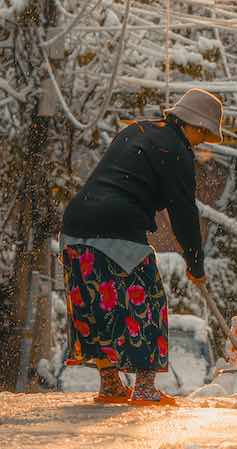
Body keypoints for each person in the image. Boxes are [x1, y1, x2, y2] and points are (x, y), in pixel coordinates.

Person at [60, 88, 223, 405]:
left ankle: (110, 384)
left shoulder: (136, 130)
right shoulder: (176, 149)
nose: (203, 142)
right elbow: (184, 214)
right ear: (196, 125)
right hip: (117, 225)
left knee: (96, 302)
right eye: (204, 135)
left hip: (75, 225)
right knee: (146, 300)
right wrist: (195, 265)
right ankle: (145, 387)